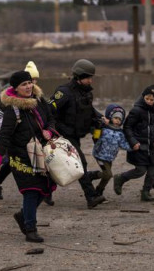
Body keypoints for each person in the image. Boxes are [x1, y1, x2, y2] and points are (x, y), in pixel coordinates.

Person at [0, 70, 56, 243]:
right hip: (20, 156)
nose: (28, 87)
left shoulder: (39, 100)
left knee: (47, 186)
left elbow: (50, 118)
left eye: (29, 83)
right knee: (31, 190)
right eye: (24, 84)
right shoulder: (12, 110)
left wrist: (48, 130)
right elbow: (4, 136)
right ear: (15, 88)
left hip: (41, 153)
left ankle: (23, 215)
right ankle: (30, 228)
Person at [49, 59, 106, 209]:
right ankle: (91, 196)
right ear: (79, 76)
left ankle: (45, 192)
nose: (90, 80)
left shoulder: (85, 92)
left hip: (75, 134)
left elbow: (89, 110)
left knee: (61, 165)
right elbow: (50, 110)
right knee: (80, 162)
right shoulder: (64, 92)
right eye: (87, 77)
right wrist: (51, 130)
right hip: (63, 135)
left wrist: (100, 117)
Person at [0, 61, 44, 202]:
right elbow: (4, 132)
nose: (32, 84)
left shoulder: (36, 97)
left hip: (28, 142)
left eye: (33, 81)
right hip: (11, 136)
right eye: (28, 82)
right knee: (12, 162)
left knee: (12, 163)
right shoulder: (11, 102)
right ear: (18, 86)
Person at [113, 85, 154, 202]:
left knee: (153, 171)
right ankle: (120, 178)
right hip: (139, 146)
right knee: (140, 170)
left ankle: (146, 193)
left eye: (152, 99)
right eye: (147, 99)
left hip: (151, 147)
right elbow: (127, 127)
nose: (149, 101)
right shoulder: (136, 110)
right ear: (143, 97)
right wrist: (133, 142)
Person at [92, 104, 131, 200]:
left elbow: (123, 144)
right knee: (108, 174)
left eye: (120, 119)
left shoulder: (120, 133)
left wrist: (133, 147)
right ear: (110, 117)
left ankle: (98, 192)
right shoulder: (104, 128)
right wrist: (98, 128)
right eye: (115, 118)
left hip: (110, 158)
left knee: (107, 176)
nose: (117, 120)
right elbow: (95, 137)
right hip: (100, 155)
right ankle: (91, 175)